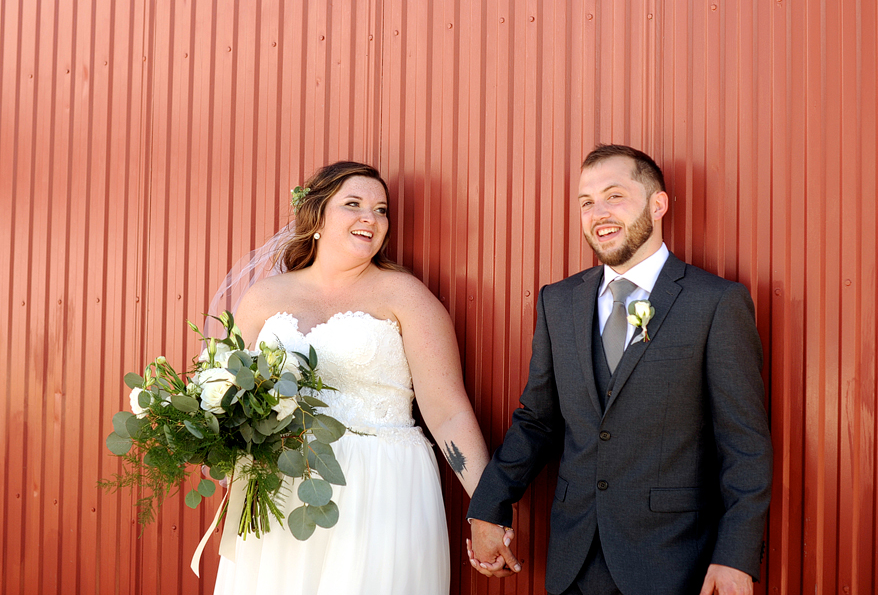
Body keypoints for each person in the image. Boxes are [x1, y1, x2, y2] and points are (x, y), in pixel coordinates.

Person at [466, 144, 773, 595]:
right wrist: (489, 506)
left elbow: (743, 444)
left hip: (673, 561)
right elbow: (537, 420)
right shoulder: (559, 301)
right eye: (586, 202)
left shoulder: (715, 303)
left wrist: (735, 557)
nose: (598, 213)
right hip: (574, 559)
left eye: (614, 196)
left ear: (658, 203)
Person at [212, 161, 491, 595]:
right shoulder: (264, 298)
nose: (371, 218)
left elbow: (448, 412)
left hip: (380, 487)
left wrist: (486, 508)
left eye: (381, 210)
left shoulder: (406, 296)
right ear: (317, 216)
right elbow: (224, 393)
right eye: (354, 205)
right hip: (279, 487)